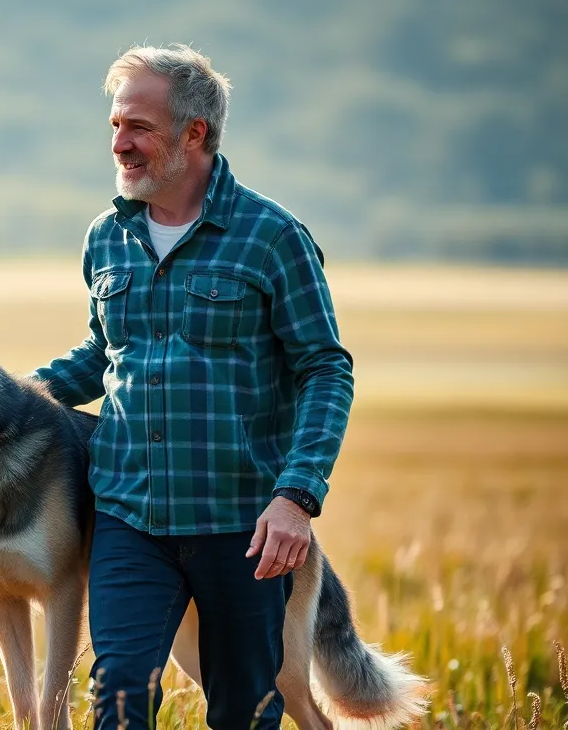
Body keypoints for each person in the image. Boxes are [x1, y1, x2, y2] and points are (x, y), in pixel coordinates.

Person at [33, 44, 354, 729]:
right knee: (119, 697)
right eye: (115, 126)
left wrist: (297, 497)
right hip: (127, 514)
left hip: (241, 523)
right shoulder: (105, 238)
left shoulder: (272, 238)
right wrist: (8, 396)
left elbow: (325, 368)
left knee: (246, 709)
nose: (119, 143)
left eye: (138, 128)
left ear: (195, 134)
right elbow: (104, 352)